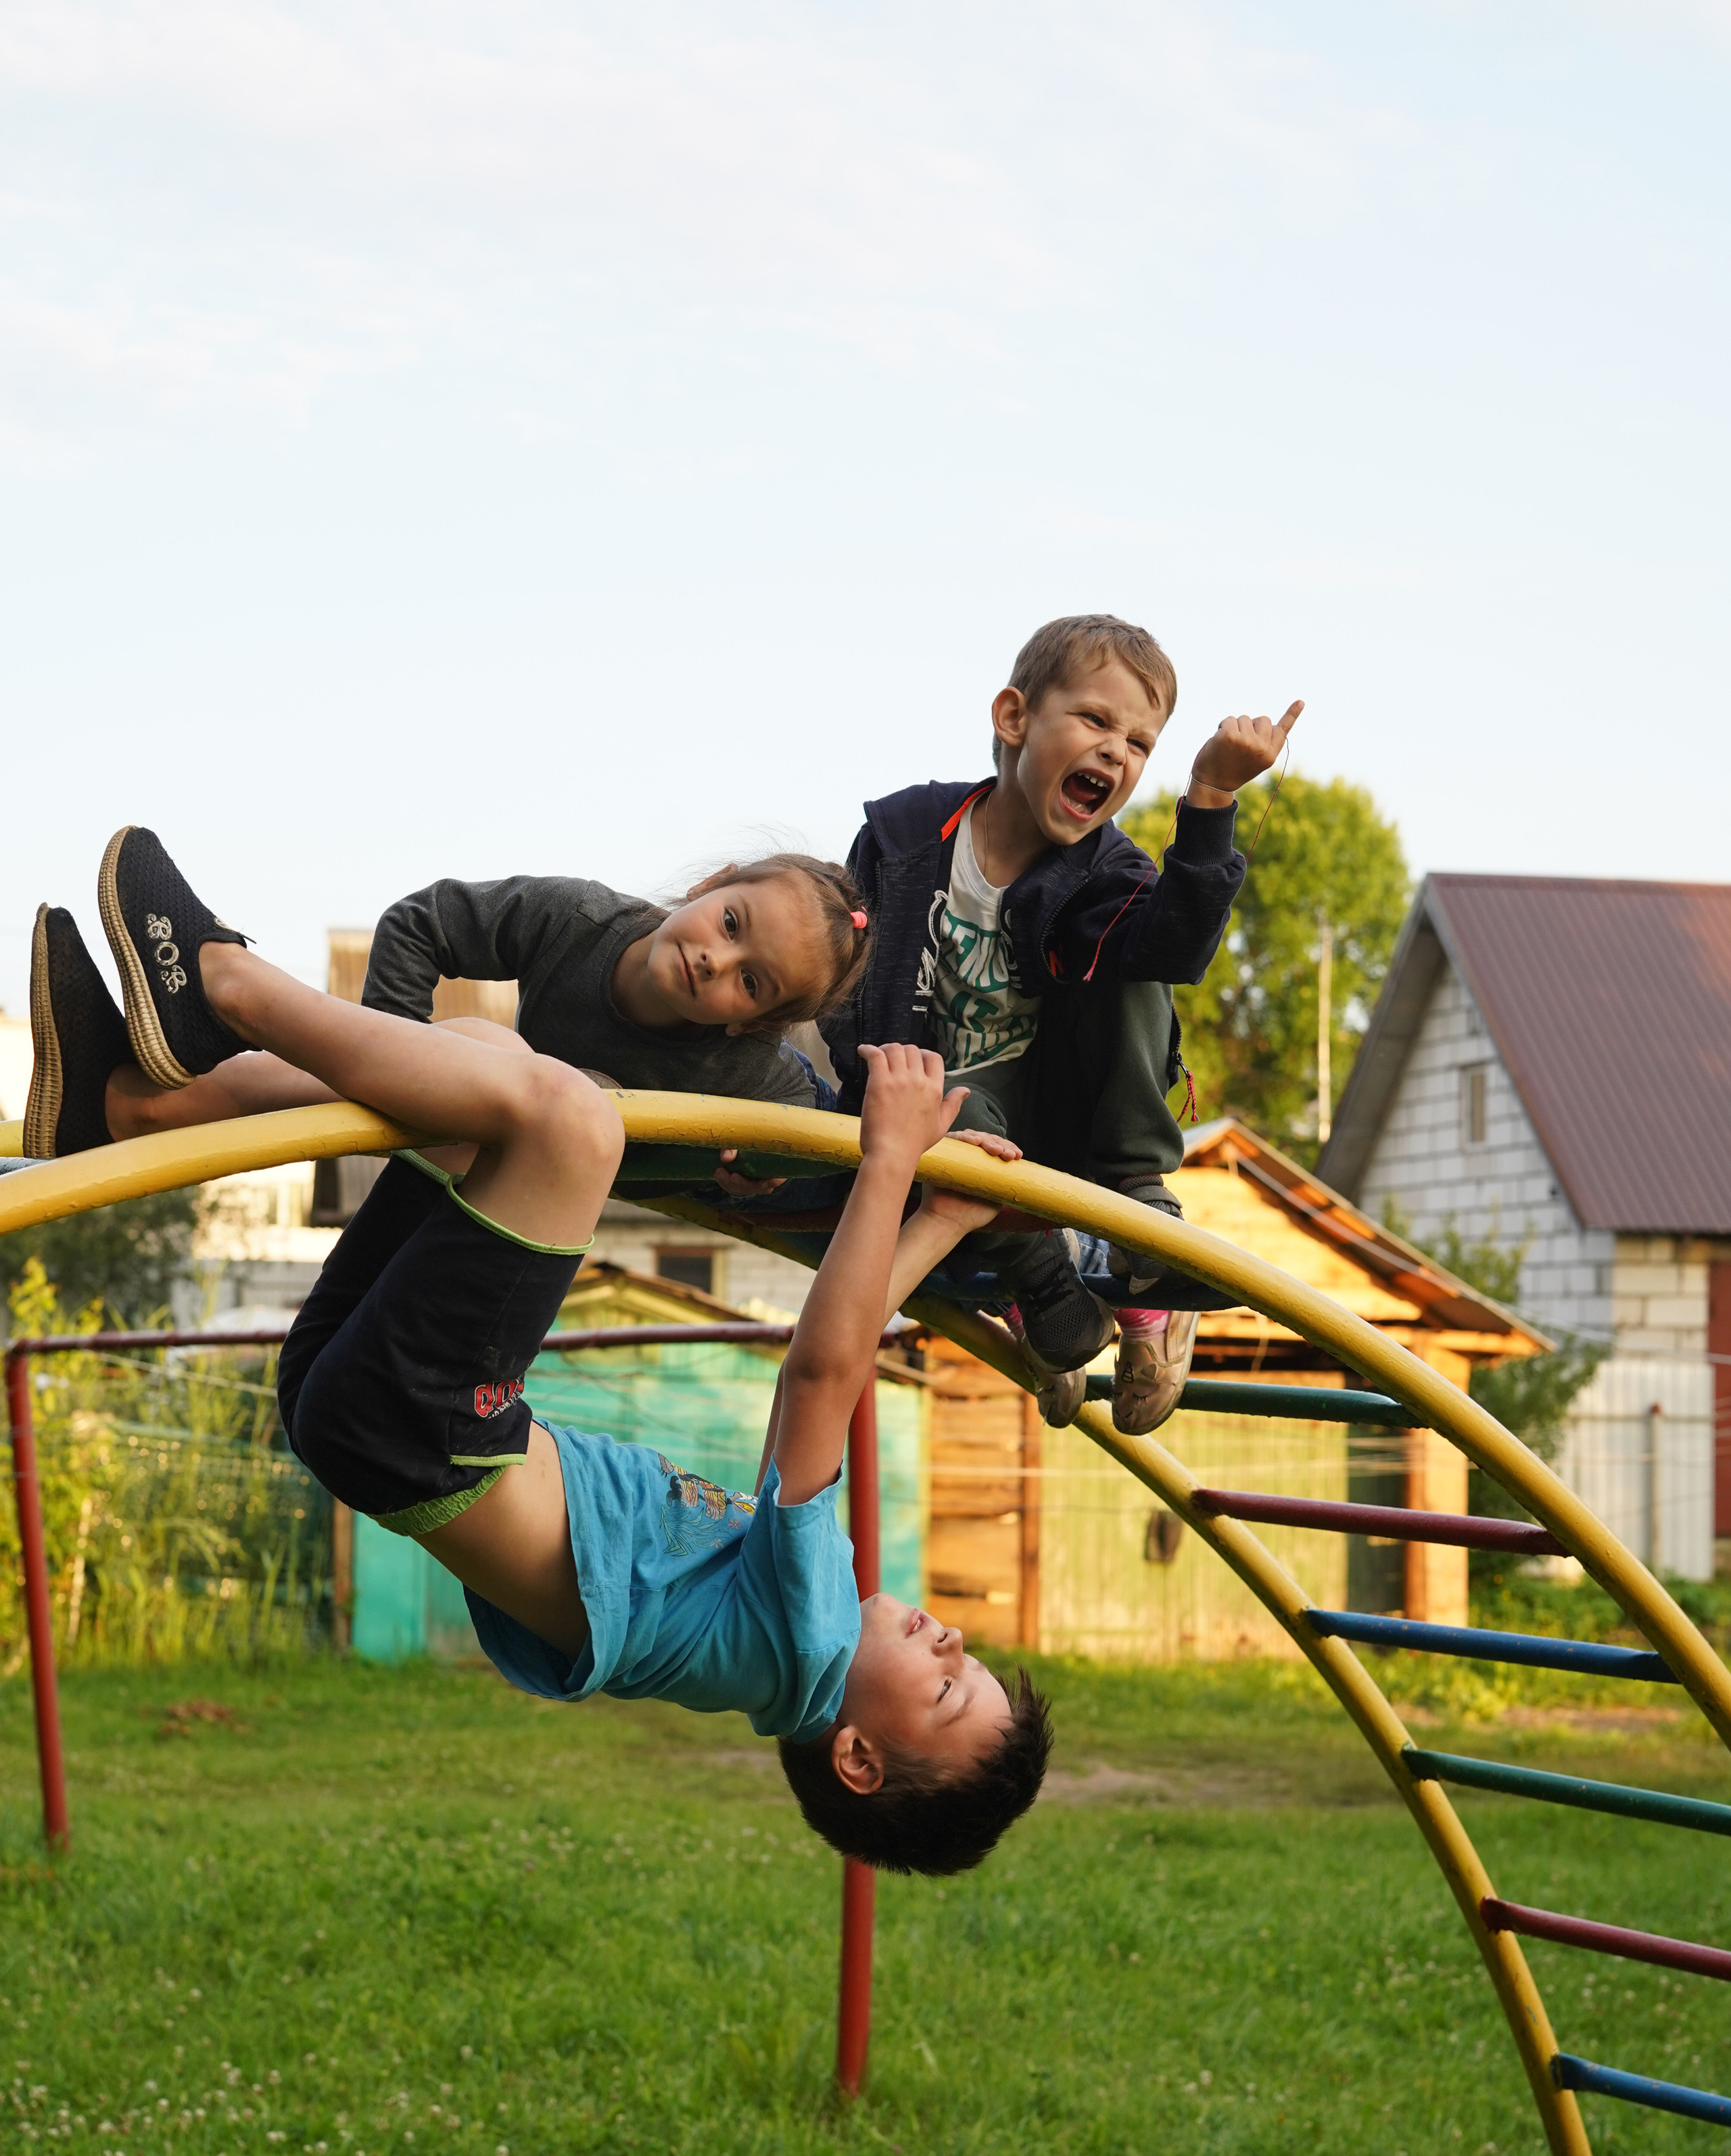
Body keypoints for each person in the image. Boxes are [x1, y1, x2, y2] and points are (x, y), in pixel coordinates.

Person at [41, 826, 1052, 1877]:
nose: (948, 1640)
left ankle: (223, 982)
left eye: (944, 1690)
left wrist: (889, 1161)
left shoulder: (807, 1647)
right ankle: (133, 1107)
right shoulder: (779, 1640)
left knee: (576, 1121)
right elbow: (828, 1357)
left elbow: (823, 1370)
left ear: (856, 1757)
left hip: (428, 1434)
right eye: (967, 1660)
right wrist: (938, 1227)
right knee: (492, 1070)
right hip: (379, 1422)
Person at [820, 614, 1302, 1434]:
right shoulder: (905, 841)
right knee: (943, 1118)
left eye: (1140, 743)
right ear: (1013, 718)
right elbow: (843, 977)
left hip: (1068, 1120)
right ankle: (1046, 1292)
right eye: (1095, 720)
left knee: (1137, 946)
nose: (1118, 751)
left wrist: (1211, 796)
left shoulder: (1106, 871)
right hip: (941, 1116)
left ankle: (1141, 1241)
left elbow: (1177, 948)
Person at [24, 849, 872, 1173]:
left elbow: (844, 1141)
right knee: (470, 1051)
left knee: (513, 1065)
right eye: (729, 924)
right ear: (708, 886)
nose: (715, 960)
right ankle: (126, 1105)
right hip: (500, 1117)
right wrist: (394, 1052)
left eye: (750, 983)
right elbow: (420, 925)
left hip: (545, 1167)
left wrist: (760, 1160)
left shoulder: (759, 1080)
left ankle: (226, 991)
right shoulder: (576, 919)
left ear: (749, 1023)